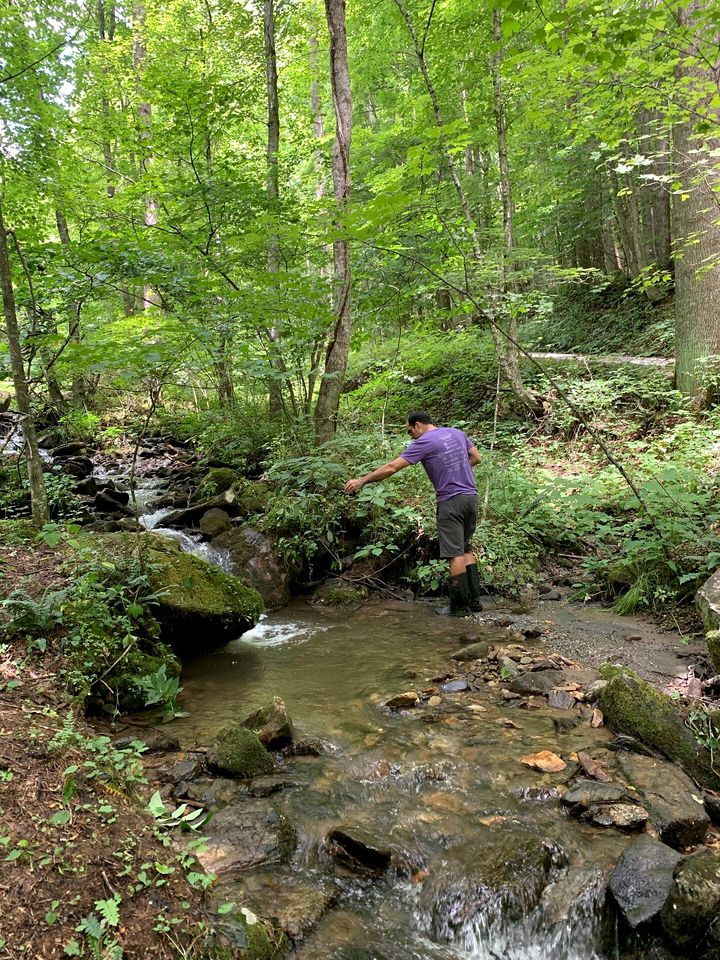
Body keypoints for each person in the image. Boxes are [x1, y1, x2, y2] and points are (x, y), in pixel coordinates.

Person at [344, 411, 483, 615]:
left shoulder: (425, 441)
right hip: (471, 498)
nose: (411, 436)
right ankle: (475, 603)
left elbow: (392, 467)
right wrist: (455, 470)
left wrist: (362, 481)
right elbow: (476, 458)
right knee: (465, 549)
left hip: (450, 501)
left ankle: (459, 607)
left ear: (418, 425)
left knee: (454, 554)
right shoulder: (457, 433)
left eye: (410, 431)